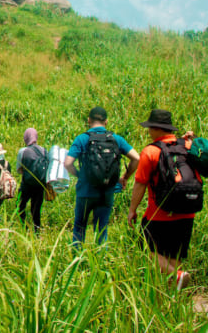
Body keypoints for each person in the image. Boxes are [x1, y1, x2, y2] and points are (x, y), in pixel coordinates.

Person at [128, 109, 196, 290]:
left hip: (160, 213)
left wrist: (132, 210)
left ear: (157, 129)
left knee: (147, 251)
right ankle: (176, 301)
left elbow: (140, 183)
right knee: (174, 256)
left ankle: (178, 276)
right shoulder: (187, 147)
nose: (148, 132)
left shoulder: (150, 151)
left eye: (150, 128)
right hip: (188, 211)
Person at [63, 106, 140, 246]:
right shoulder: (116, 139)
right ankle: (100, 261)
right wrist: (125, 177)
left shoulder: (82, 139)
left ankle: (77, 261)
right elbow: (136, 158)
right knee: (102, 230)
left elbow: (68, 163)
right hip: (107, 191)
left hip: (85, 191)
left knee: (80, 227)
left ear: (89, 120)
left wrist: (80, 175)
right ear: (106, 122)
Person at [16, 128, 46, 233]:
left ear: (26, 138)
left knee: (20, 205)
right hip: (40, 185)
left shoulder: (22, 151)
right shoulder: (43, 150)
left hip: (26, 184)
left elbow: (19, 170)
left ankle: (23, 227)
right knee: (36, 209)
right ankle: (36, 231)